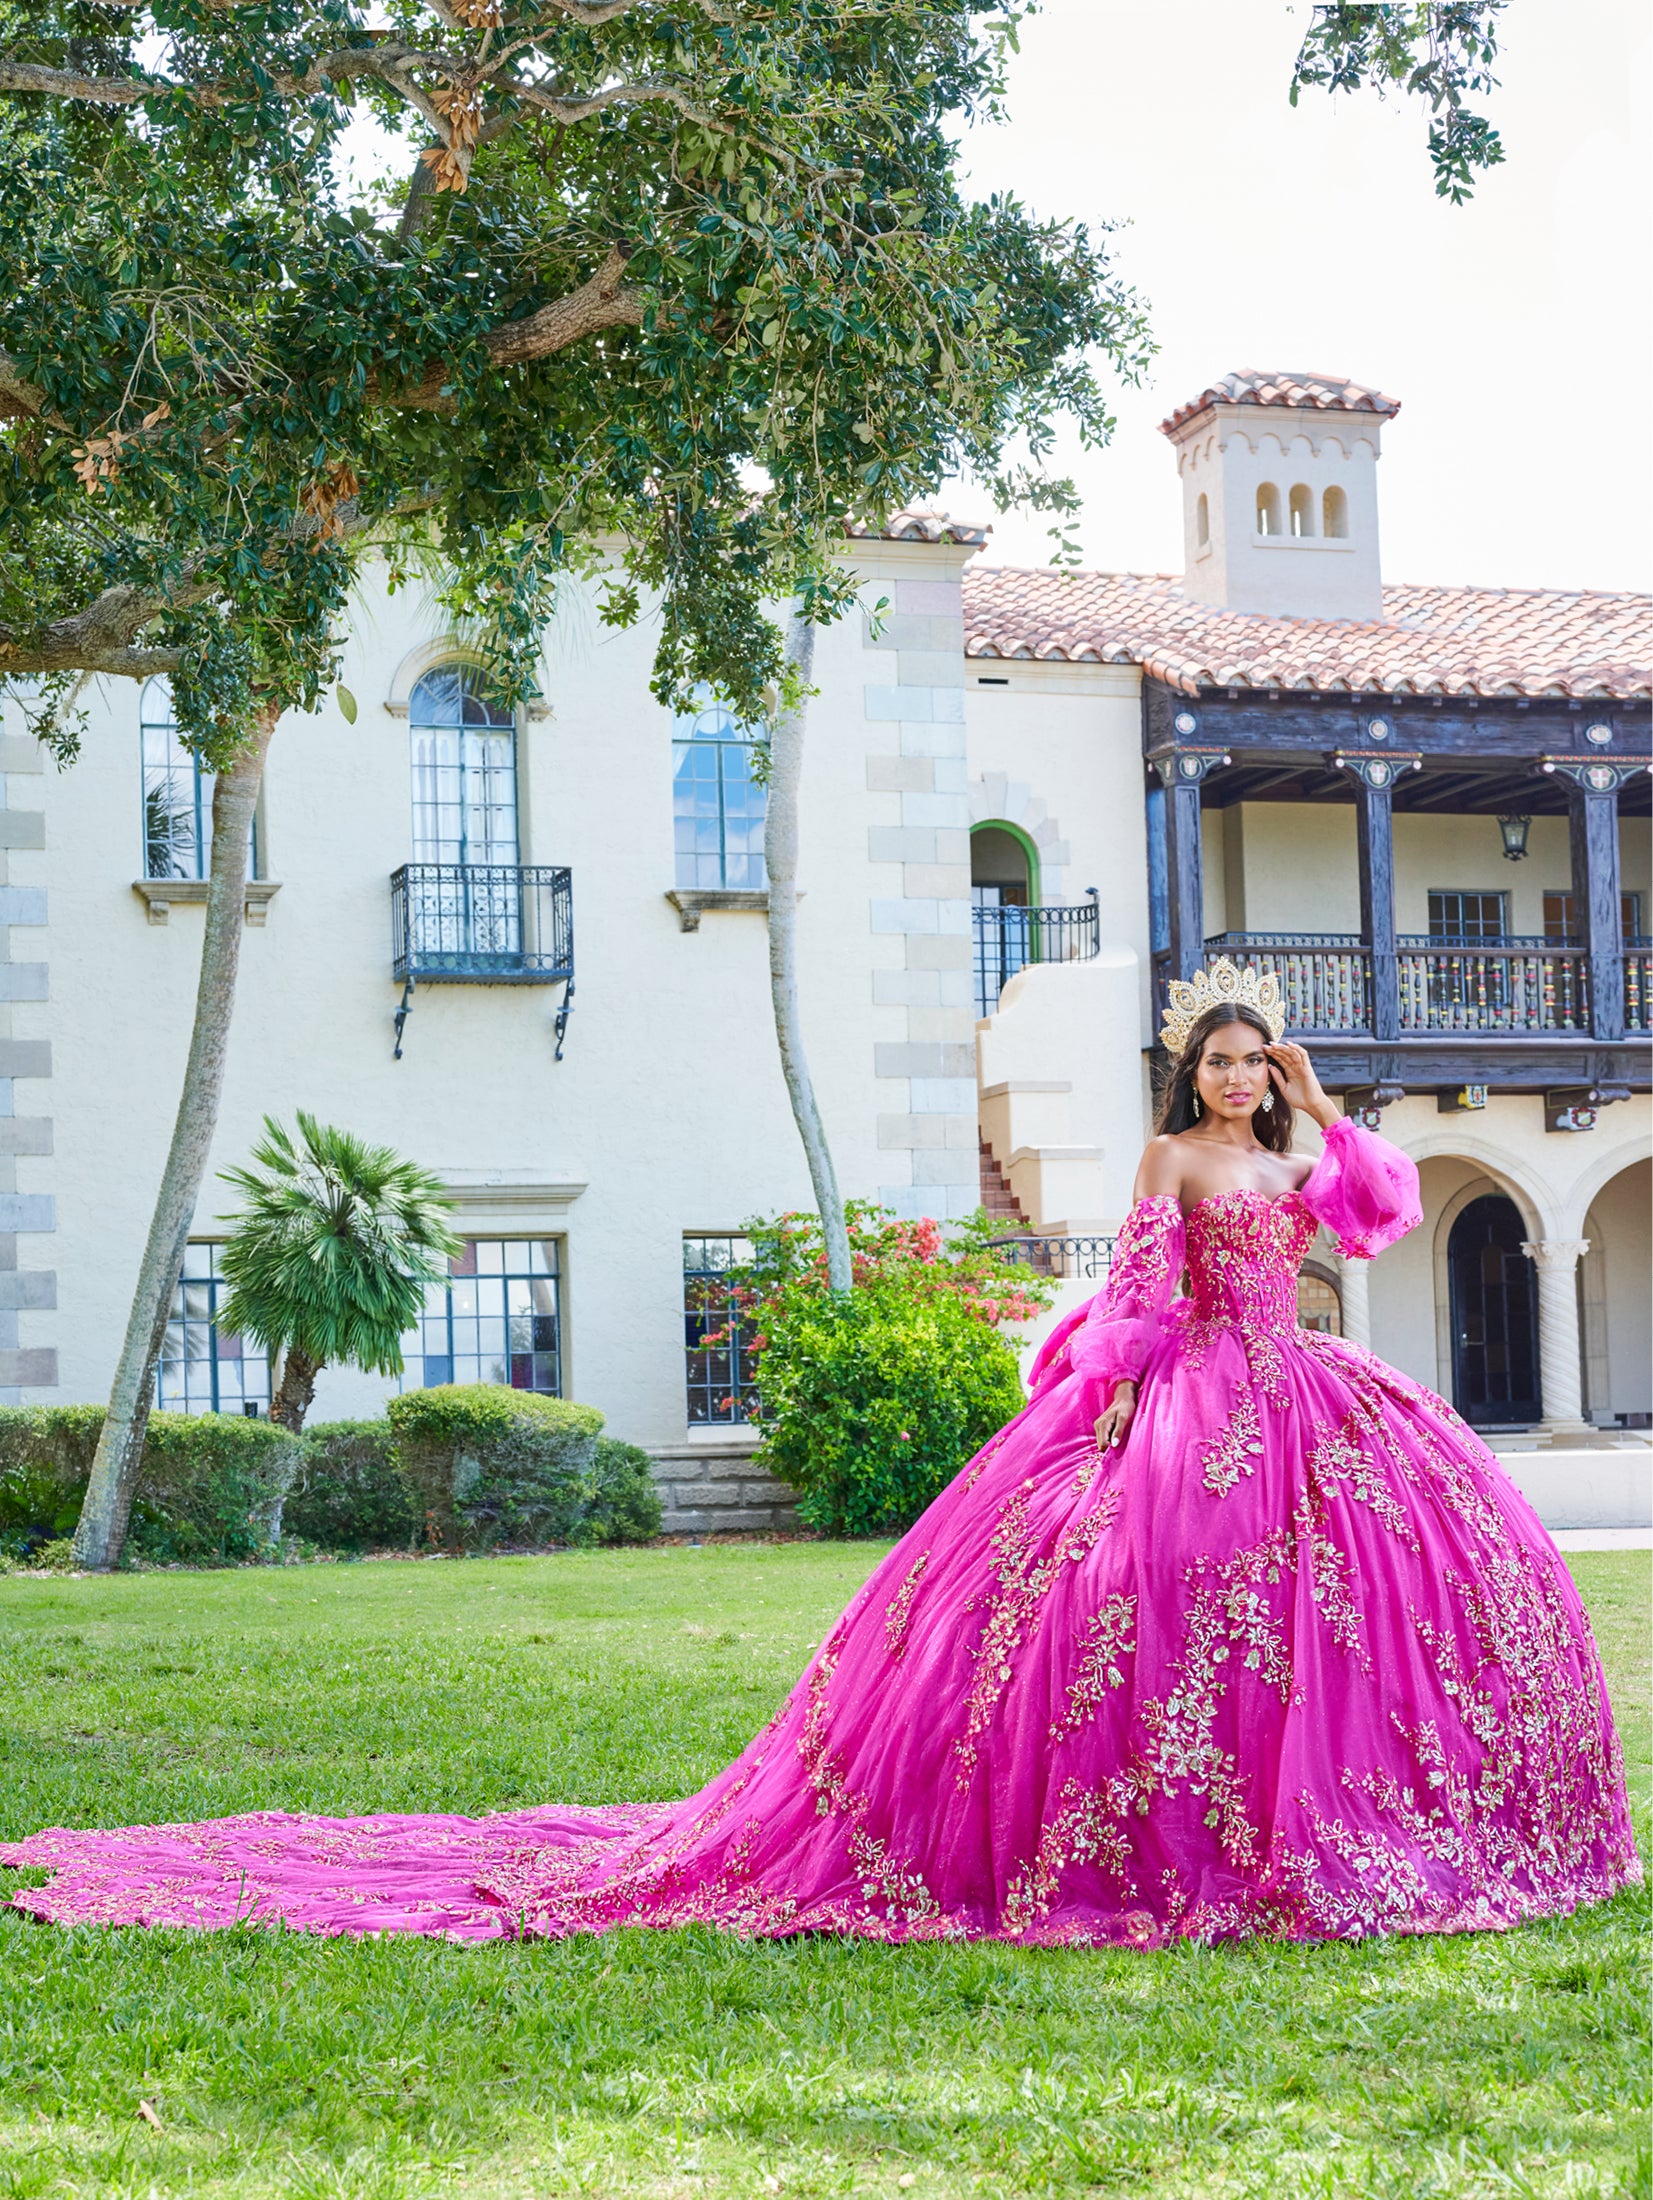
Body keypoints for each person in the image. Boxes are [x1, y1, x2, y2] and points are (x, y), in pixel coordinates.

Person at [5, 966, 1639, 1945]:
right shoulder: (1167, 1161)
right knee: (1140, 1597)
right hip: (1195, 1398)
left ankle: (1335, 1820)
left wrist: (1319, 1097)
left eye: (1246, 1058)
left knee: (1358, 1610)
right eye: (1214, 1060)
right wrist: (1109, 1408)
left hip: (1308, 1394)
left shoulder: (1291, 1154)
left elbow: (1374, 1213)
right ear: (1181, 1073)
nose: (1228, 1077)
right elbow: (1141, 1298)